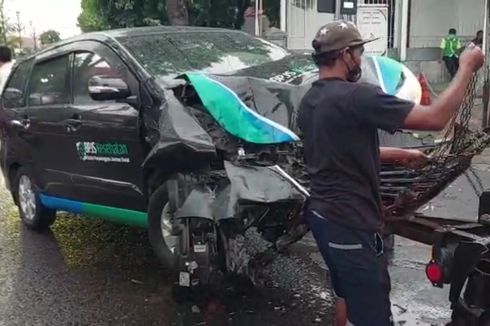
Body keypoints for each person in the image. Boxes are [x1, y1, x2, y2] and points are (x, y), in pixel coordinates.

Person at [297, 21, 484, 326]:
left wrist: (401, 154)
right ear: (346, 55)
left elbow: (336, 152)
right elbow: (435, 118)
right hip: (349, 224)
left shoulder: (310, 101)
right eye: (359, 51)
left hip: (323, 218)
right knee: (372, 314)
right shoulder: (357, 97)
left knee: (345, 294)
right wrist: (465, 67)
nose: (361, 58)